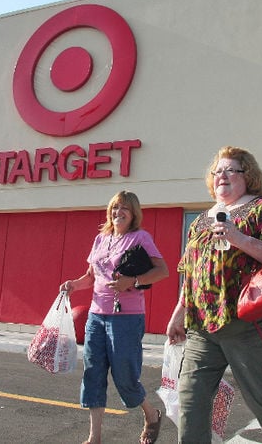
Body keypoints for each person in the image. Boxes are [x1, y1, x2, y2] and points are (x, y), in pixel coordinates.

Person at [166, 146, 262, 444]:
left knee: (260, 398)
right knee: (190, 398)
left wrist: (239, 238)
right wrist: (179, 312)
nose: (221, 175)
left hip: (250, 324)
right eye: (217, 171)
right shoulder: (200, 221)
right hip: (202, 326)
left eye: (230, 170)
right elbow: (193, 272)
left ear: (247, 176)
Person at [60, 190, 169, 444]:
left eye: (124, 209)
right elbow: (91, 276)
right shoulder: (101, 239)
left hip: (126, 318)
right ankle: (94, 438)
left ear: (133, 214)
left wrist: (134, 281)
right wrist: (73, 285)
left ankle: (151, 414)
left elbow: (162, 271)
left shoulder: (140, 238)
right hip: (96, 316)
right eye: (114, 208)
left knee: (125, 375)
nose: (118, 213)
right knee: (93, 373)